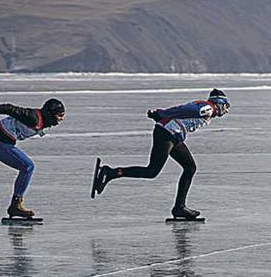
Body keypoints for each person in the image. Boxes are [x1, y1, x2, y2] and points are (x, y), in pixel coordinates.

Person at [93, 88, 230, 219]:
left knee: (190, 167)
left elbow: (181, 113)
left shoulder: (205, 107)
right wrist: (161, 113)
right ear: (219, 103)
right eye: (226, 106)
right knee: (152, 171)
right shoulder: (208, 108)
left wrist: (159, 116)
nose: (226, 111)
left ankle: (179, 208)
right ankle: (110, 173)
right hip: (167, 134)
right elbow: (182, 109)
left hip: (172, 135)